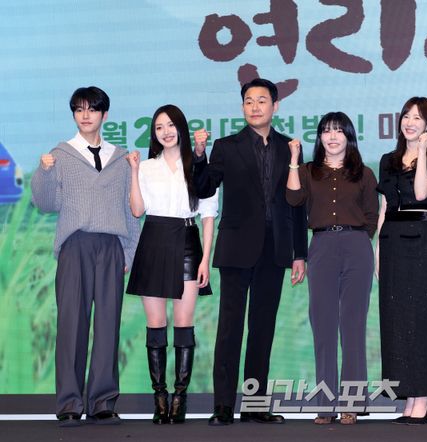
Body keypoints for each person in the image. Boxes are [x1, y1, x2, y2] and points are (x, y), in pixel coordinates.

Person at [192, 78, 308, 426]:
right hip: (237, 247)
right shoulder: (226, 146)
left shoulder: (290, 147)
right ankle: (223, 406)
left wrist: (299, 253)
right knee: (229, 328)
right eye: (248, 101)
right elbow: (204, 187)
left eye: (261, 100)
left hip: (275, 249)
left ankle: (256, 405)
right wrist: (199, 154)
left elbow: (297, 204)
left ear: (275, 106)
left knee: (262, 329)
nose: (254, 107)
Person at [31, 86, 140, 427]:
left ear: (104, 115)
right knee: (71, 325)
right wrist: (44, 172)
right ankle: (69, 402)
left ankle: (102, 401)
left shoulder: (121, 159)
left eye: (92, 109)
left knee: (108, 325)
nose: (85, 115)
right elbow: (45, 203)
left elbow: (130, 211)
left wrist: (128, 253)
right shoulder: (60, 155)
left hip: (111, 247)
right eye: (79, 110)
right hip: (74, 246)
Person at [126, 105, 218, 424]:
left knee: (183, 323)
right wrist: (133, 172)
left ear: (181, 128)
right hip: (153, 240)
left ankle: (180, 396)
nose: (166, 132)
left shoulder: (197, 165)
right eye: (159, 127)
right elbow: (137, 210)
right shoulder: (146, 167)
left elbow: (208, 215)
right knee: (155, 324)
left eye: (170, 125)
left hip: (188, 242)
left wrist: (205, 258)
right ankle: (160, 397)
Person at [286, 112, 378, 425]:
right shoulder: (307, 171)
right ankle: (325, 405)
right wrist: (294, 160)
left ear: (349, 136)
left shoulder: (364, 173)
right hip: (322, 246)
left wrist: (358, 240)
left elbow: (371, 215)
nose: (333, 136)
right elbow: (293, 198)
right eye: (327, 131)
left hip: (356, 247)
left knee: (353, 325)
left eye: (339, 131)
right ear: (320, 137)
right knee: (323, 325)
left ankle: (352, 403)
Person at [376, 97, 427, 425]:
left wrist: (421, 151)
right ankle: (406, 395)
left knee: (417, 319)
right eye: (406, 116)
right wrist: (378, 251)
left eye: (417, 118)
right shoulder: (388, 160)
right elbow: (384, 206)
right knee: (394, 319)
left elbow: (420, 193)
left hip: (418, 238)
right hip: (390, 239)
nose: (410, 122)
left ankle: (422, 397)